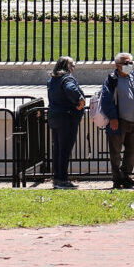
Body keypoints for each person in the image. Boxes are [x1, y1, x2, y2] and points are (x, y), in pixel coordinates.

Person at [98, 51, 134, 190]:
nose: (129, 66)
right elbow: (106, 100)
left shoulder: (133, 77)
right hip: (118, 122)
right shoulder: (111, 79)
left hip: (133, 121)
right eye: (126, 63)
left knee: (131, 151)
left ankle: (125, 176)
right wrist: (113, 118)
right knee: (115, 152)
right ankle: (117, 179)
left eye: (130, 63)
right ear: (117, 65)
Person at [45, 56, 86, 188]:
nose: (74, 67)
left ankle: (57, 178)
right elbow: (70, 89)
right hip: (66, 118)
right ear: (67, 67)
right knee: (65, 150)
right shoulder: (67, 78)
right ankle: (62, 180)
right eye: (72, 65)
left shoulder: (53, 79)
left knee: (57, 149)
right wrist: (79, 100)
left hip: (54, 117)